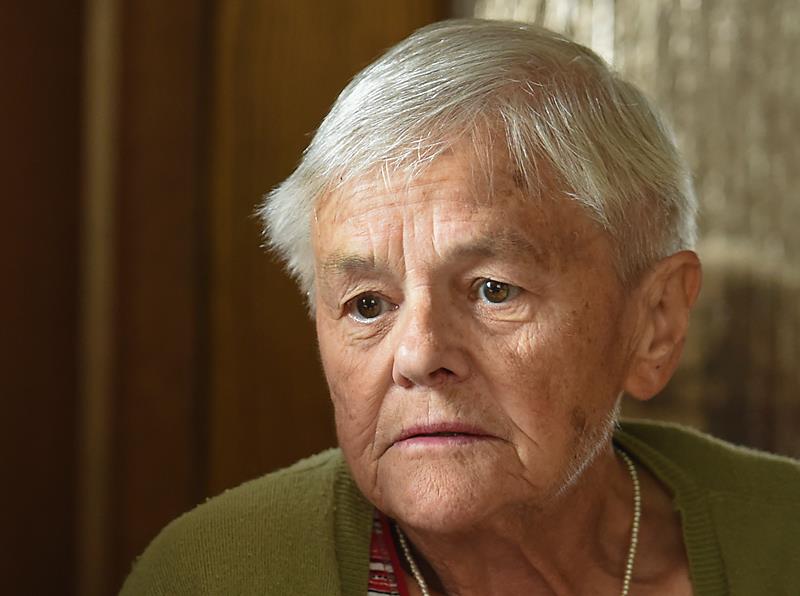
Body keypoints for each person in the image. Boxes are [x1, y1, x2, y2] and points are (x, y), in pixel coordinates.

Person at [121, 18, 800, 595]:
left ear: (655, 323)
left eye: (493, 290)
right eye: (367, 304)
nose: (419, 356)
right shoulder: (214, 575)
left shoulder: (781, 543)